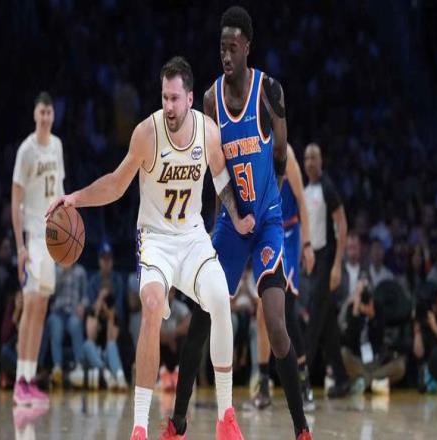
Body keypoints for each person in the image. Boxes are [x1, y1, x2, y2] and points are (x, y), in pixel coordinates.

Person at [47, 56, 252, 440]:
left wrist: (238, 218)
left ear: (189, 98)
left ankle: (226, 418)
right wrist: (74, 198)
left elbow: (222, 178)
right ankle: (139, 426)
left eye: (175, 98)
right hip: (155, 240)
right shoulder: (147, 133)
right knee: (153, 305)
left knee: (220, 299)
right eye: (164, 98)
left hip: (192, 238)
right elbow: (116, 183)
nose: (169, 106)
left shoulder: (207, 133)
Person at [163, 7, 312, 440]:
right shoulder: (210, 99)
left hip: (265, 223)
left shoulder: (270, 92)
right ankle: (177, 423)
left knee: (276, 325)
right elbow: (215, 168)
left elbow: (281, 155)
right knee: (202, 320)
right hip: (231, 225)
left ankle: (302, 429)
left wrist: (267, 206)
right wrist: (229, 215)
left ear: (247, 46)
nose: (226, 55)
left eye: (233, 47)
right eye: (221, 48)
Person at [251, 144, 315, 411]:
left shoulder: (284, 153)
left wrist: (308, 244)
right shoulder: (252, 148)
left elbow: (302, 202)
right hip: (266, 234)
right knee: (261, 313)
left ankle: (304, 382)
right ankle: (264, 384)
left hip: (288, 234)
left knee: (286, 310)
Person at [11, 91, 65, 406]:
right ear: (35, 115)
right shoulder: (26, 150)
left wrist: (64, 238)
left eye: (49, 112)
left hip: (50, 238)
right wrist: (20, 247)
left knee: (42, 307)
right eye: (41, 112)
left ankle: (29, 378)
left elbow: (60, 193)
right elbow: (15, 200)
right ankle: (19, 381)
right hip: (32, 236)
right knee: (30, 305)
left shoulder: (57, 146)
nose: (45, 117)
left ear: (53, 115)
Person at [303, 143, 350, 398]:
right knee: (327, 325)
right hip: (314, 261)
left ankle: (301, 379)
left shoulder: (327, 188)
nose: (310, 162)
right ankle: (341, 379)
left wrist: (337, 264)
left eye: (314, 157)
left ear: (321, 161)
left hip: (327, 260)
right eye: (307, 158)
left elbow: (342, 225)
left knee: (314, 323)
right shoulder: (306, 190)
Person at [48, 263, 88, 388]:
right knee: (56, 327)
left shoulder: (81, 271)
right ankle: (57, 366)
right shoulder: (55, 270)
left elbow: (85, 297)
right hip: (57, 312)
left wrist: (82, 306)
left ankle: (79, 365)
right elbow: (50, 294)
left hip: (73, 312)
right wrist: (62, 273)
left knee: (76, 325)